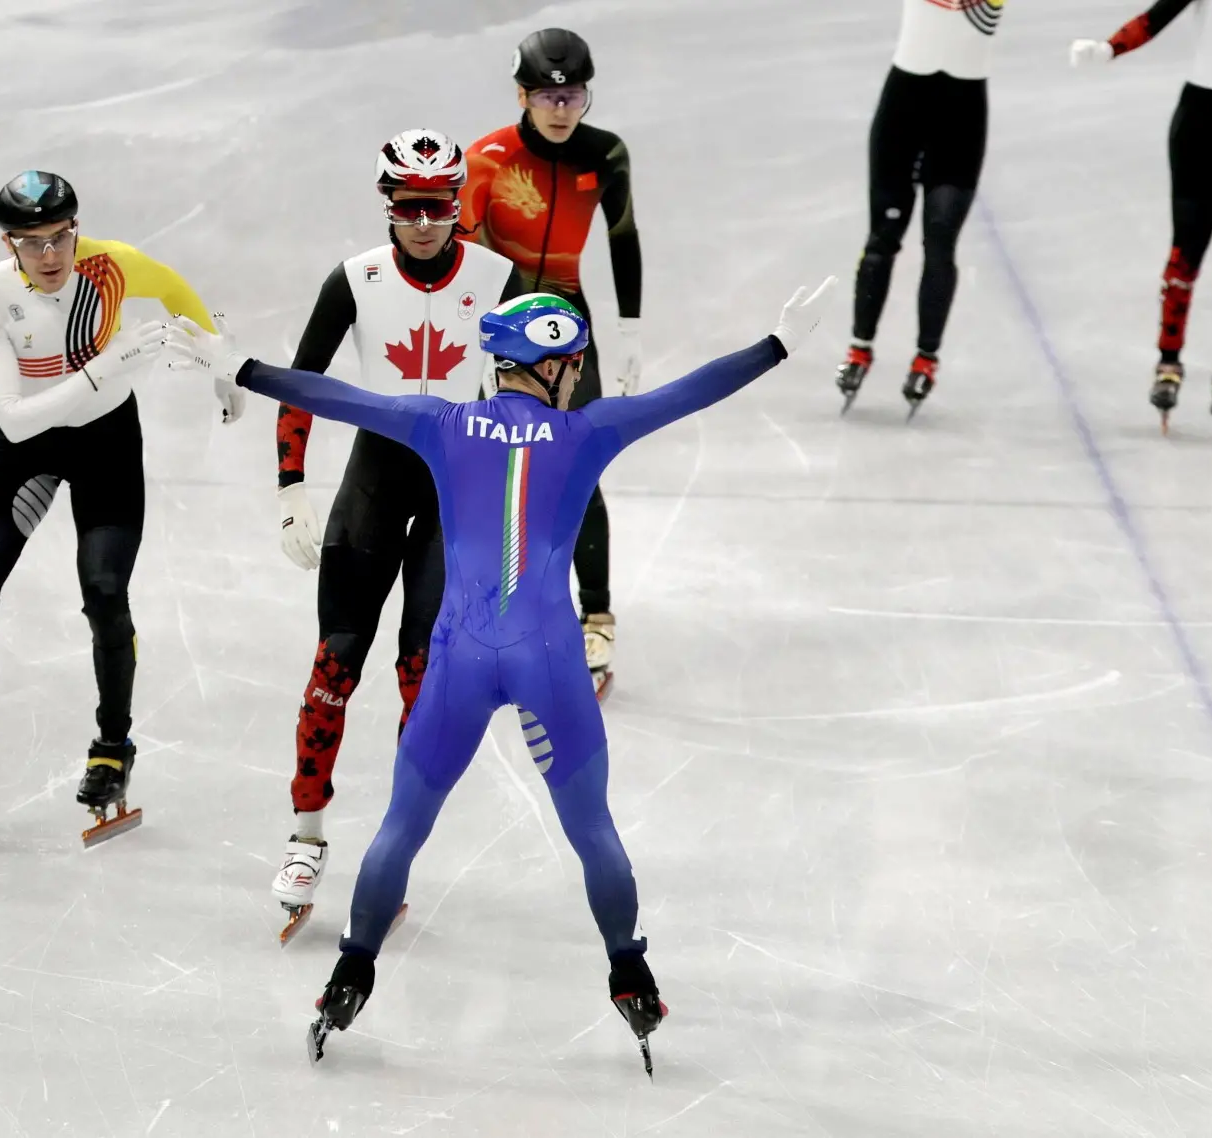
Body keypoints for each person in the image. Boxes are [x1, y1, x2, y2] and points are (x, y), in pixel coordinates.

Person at [173, 276, 835, 1071]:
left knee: (400, 829)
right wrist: (779, 344)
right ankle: (630, 973)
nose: (580, 379)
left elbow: (335, 395)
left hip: (459, 659)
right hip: (550, 661)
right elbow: (691, 392)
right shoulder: (590, 432)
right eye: (576, 365)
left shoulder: (439, 421)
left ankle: (351, 971)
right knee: (593, 832)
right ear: (552, 366)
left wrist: (240, 365)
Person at [0, 171, 231, 848]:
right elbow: (18, 425)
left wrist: (221, 361)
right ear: (8, 245)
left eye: (61, 238)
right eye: (32, 244)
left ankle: (113, 746)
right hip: (28, 449)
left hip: (107, 446)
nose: (51, 256)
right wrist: (102, 367)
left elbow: (173, 287)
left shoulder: (108, 266)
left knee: (106, 592)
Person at [267, 130, 518, 936]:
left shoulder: (497, 277)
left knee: (422, 671)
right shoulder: (355, 279)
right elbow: (301, 381)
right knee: (334, 662)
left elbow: (539, 395)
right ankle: (306, 836)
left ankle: (396, 843)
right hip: (374, 478)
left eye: (437, 208)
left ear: (458, 206)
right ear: (387, 207)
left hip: (456, 486)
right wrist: (291, 486)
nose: (422, 224)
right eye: (407, 209)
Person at [460, 27, 641, 698]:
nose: (562, 109)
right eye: (548, 95)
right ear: (522, 95)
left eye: (574, 95)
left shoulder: (605, 153)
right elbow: (464, 257)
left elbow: (624, 238)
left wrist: (631, 331)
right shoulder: (485, 160)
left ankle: (595, 613)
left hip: (568, 326)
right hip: (503, 328)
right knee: (495, 476)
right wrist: (470, 344)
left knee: (575, 472)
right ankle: (500, 612)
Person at [1071, 0, 1212, 439]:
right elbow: (1156, 17)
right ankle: (1168, 359)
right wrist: (1109, 48)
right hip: (1202, 127)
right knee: (1188, 248)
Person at [835, 0, 1006, 416]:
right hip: (904, 107)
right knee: (883, 237)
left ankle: (926, 356)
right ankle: (860, 347)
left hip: (961, 118)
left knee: (941, 240)